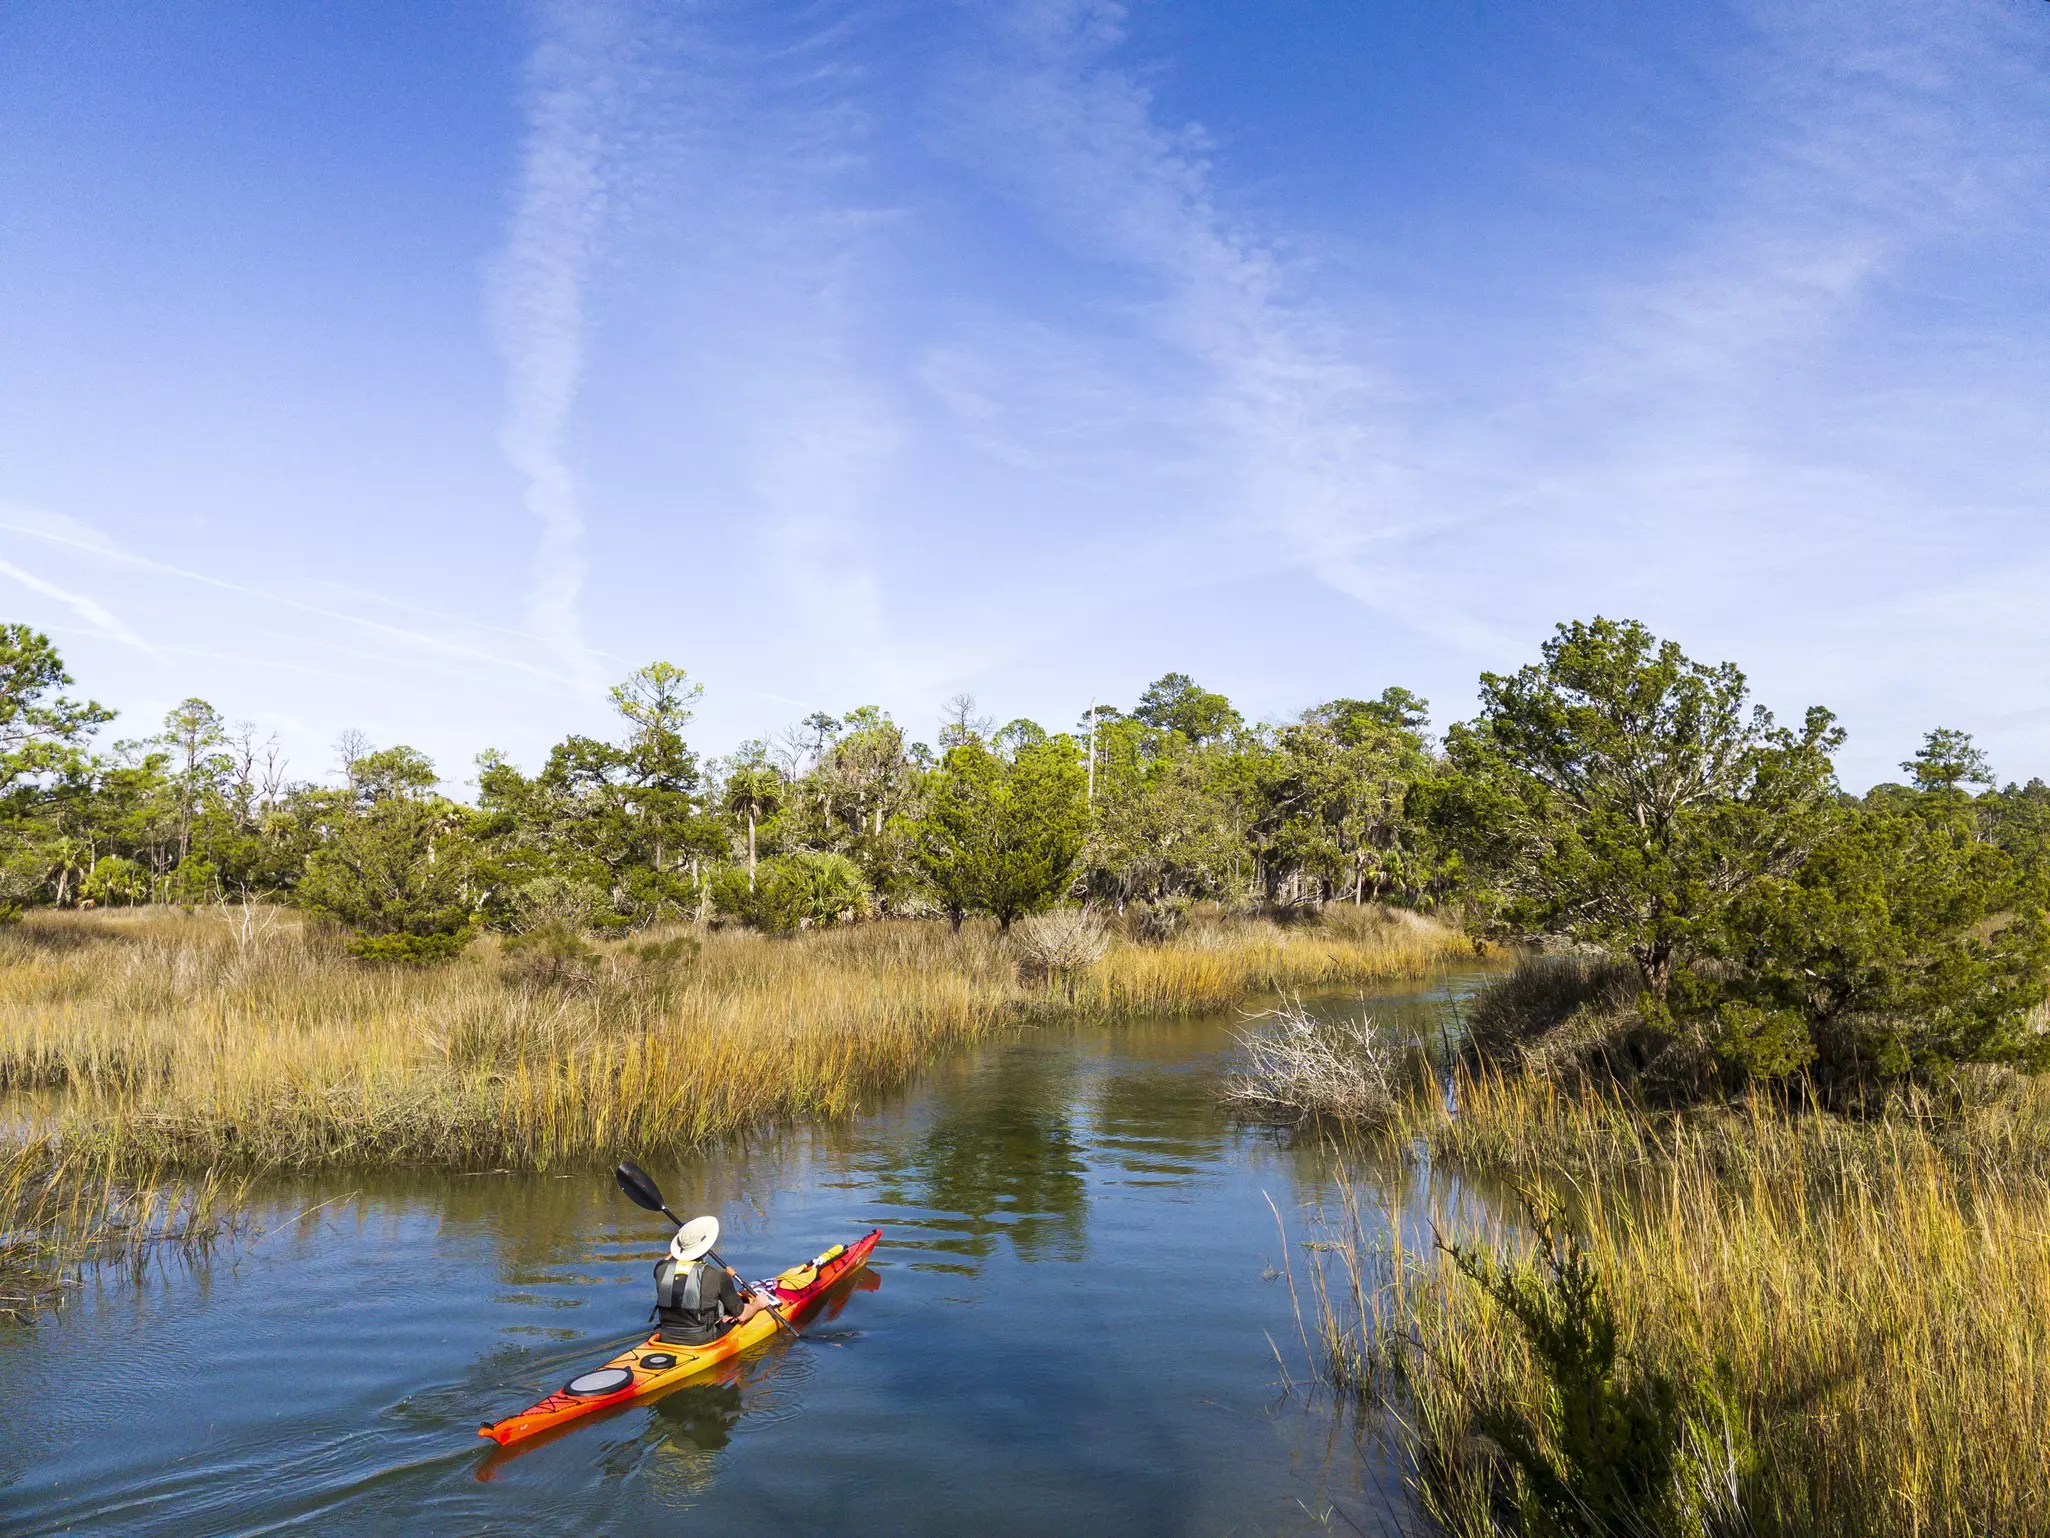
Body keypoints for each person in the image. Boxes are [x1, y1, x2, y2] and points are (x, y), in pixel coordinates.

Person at [651, 1215, 770, 1346]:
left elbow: (667, 1259)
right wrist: (757, 1304)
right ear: (705, 1247)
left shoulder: (660, 1270)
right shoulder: (718, 1275)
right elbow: (742, 1315)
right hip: (702, 1340)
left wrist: (684, 1242)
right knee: (741, 1315)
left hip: (666, 1336)